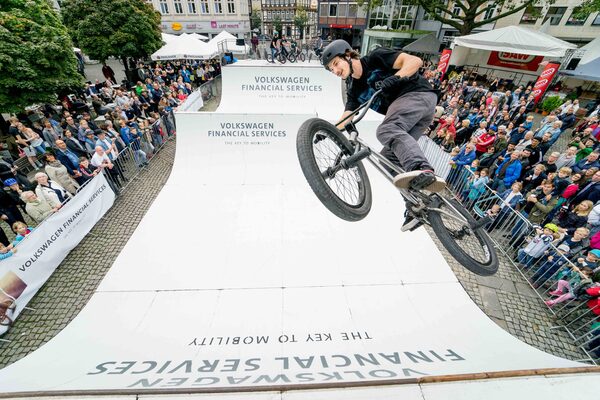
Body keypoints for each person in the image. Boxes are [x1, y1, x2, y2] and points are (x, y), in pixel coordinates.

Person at [321, 40, 444, 196]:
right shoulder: (354, 89)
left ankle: (421, 168)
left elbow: (415, 61)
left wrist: (397, 77)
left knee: (387, 129)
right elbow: (347, 116)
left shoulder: (375, 58)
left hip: (417, 95)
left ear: (347, 55)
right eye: (332, 69)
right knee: (387, 160)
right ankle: (420, 205)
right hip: (412, 116)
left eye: (336, 64)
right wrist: (324, 130)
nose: (336, 71)